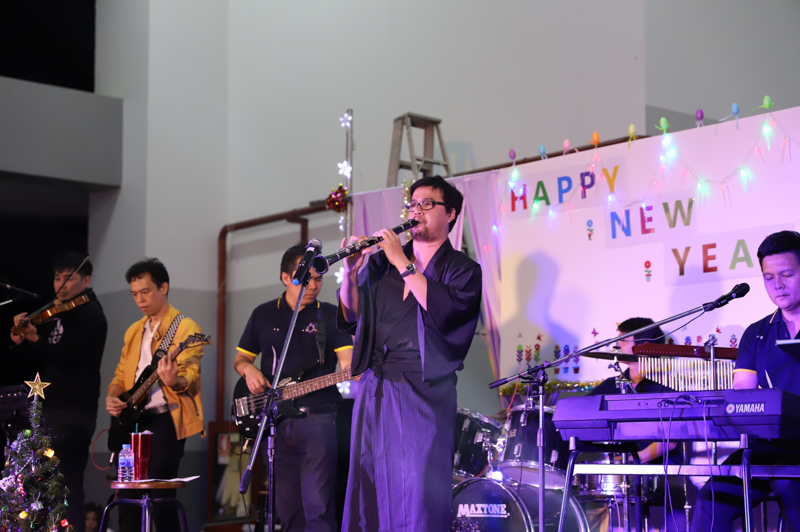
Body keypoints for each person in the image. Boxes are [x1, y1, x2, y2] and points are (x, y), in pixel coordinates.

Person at [338, 175, 482, 531]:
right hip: (375, 387)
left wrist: (401, 260)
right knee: (368, 487)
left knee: (418, 491)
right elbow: (353, 315)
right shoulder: (380, 265)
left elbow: (445, 312)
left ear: (450, 214)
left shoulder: (463, 270)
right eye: (412, 205)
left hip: (424, 389)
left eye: (427, 204)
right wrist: (350, 271)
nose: (416, 211)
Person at [233, 243, 354, 531]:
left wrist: (354, 370)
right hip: (273, 421)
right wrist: (248, 369)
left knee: (318, 508)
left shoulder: (331, 314)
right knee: (287, 510)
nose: (313, 286)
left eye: (318, 279)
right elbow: (241, 358)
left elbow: (349, 364)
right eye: (305, 279)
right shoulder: (263, 314)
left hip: (318, 418)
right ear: (286, 278)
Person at [690, 230, 800, 532]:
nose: (777, 285)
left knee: (792, 491)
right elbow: (743, 395)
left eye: (787, 274)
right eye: (768, 277)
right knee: (711, 499)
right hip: (767, 446)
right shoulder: (757, 333)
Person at [10, 253, 108, 532]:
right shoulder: (56, 313)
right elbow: (41, 361)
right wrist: (23, 340)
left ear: (86, 280)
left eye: (69, 278)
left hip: (74, 410)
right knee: (41, 489)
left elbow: (66, 359)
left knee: (68, 486)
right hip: (50, 407)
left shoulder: (90, 314)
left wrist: (35, 338)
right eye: (57, 278)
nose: (61, 285)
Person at [105, 258, 204, 532]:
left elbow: (191, 373)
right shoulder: (134, 330)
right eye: (135, 294)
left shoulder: (186, 328)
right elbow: (120, 375)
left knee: (160, 500)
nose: (140, 299)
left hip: (165, 421)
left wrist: (175, 380)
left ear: (164, 287)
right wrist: (113, 397)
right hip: (131, 419)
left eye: (145, 292)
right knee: (127, 502)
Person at [586, 318, 686, 532]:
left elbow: (670, 441)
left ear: (643, 345)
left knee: (674, 491)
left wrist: (633, 460)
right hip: (620, 470)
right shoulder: (610, 386)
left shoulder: (667, 386)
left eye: (623, 339)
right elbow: (582, 413)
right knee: (586, 490)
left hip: (661, 469)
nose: (617, 345)